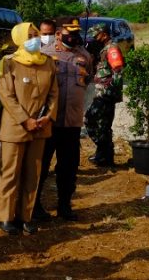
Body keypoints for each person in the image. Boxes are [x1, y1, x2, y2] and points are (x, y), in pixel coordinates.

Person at [0, 22, 57, 235]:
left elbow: (54, 94)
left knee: (34, 173)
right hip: (15, 127)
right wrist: (25, 120)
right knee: (10, 173)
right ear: (19, 38)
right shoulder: (9, 63)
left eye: (36, 35)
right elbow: (6, 95)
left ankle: (26, 216)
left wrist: (48, 117)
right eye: (29, 35)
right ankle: (6, 217)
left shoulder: (48, 63)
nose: (34, 39)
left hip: (41, 127)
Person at [34, 22, 92, 222]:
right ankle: (35, 206)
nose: (73, 38)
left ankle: (64, 205)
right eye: (69, 34)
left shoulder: (84, 55)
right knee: (41, 166)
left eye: (76, 34)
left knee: (69, 167)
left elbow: (88, 80)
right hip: (49, 121)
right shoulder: (45, 54)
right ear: (58, 34)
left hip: (72, 123)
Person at [84, 23, 124, 167]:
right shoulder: (103, 49)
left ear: (104, 34)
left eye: (96, 35)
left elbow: (118, 69)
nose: (94, 38)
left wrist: (111, 90)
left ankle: (104, 151)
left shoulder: (112, 48)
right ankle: (105, 156)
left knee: (90, 119)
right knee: (104, 125)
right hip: (102, 91)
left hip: (106, 93)